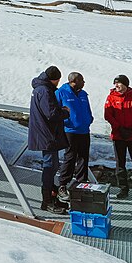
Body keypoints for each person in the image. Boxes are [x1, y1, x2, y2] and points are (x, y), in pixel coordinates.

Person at [28, 65, 70, 214]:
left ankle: (51, 197)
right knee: (50, 166)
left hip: (43, 133)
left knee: (52, 165)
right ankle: (47, 202)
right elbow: (51, 113)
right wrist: (65, 112)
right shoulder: (45, 91)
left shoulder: (39, 88)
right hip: (47, 134)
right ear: (54, 79)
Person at [104, 74, 132, 200]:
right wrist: (119, 128)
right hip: (119, 136)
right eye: (115, 83)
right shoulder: (111, 98)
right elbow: (108, 115)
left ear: (125, 85)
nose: (116, 86)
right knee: (120, 163)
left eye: (119, 83)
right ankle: (123, 189)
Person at [55, 71, 93, 201]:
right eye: (82, 80)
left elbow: (87, 109)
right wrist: (65, 122)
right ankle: (63, 185)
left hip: (84, 130)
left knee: (83, 157)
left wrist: (89, 119)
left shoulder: (83, 94)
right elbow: (55, 110)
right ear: (73, 81)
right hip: (70, 130)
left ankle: (81, 183)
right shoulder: (62, 92)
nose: (84, 82)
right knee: (70, 157)